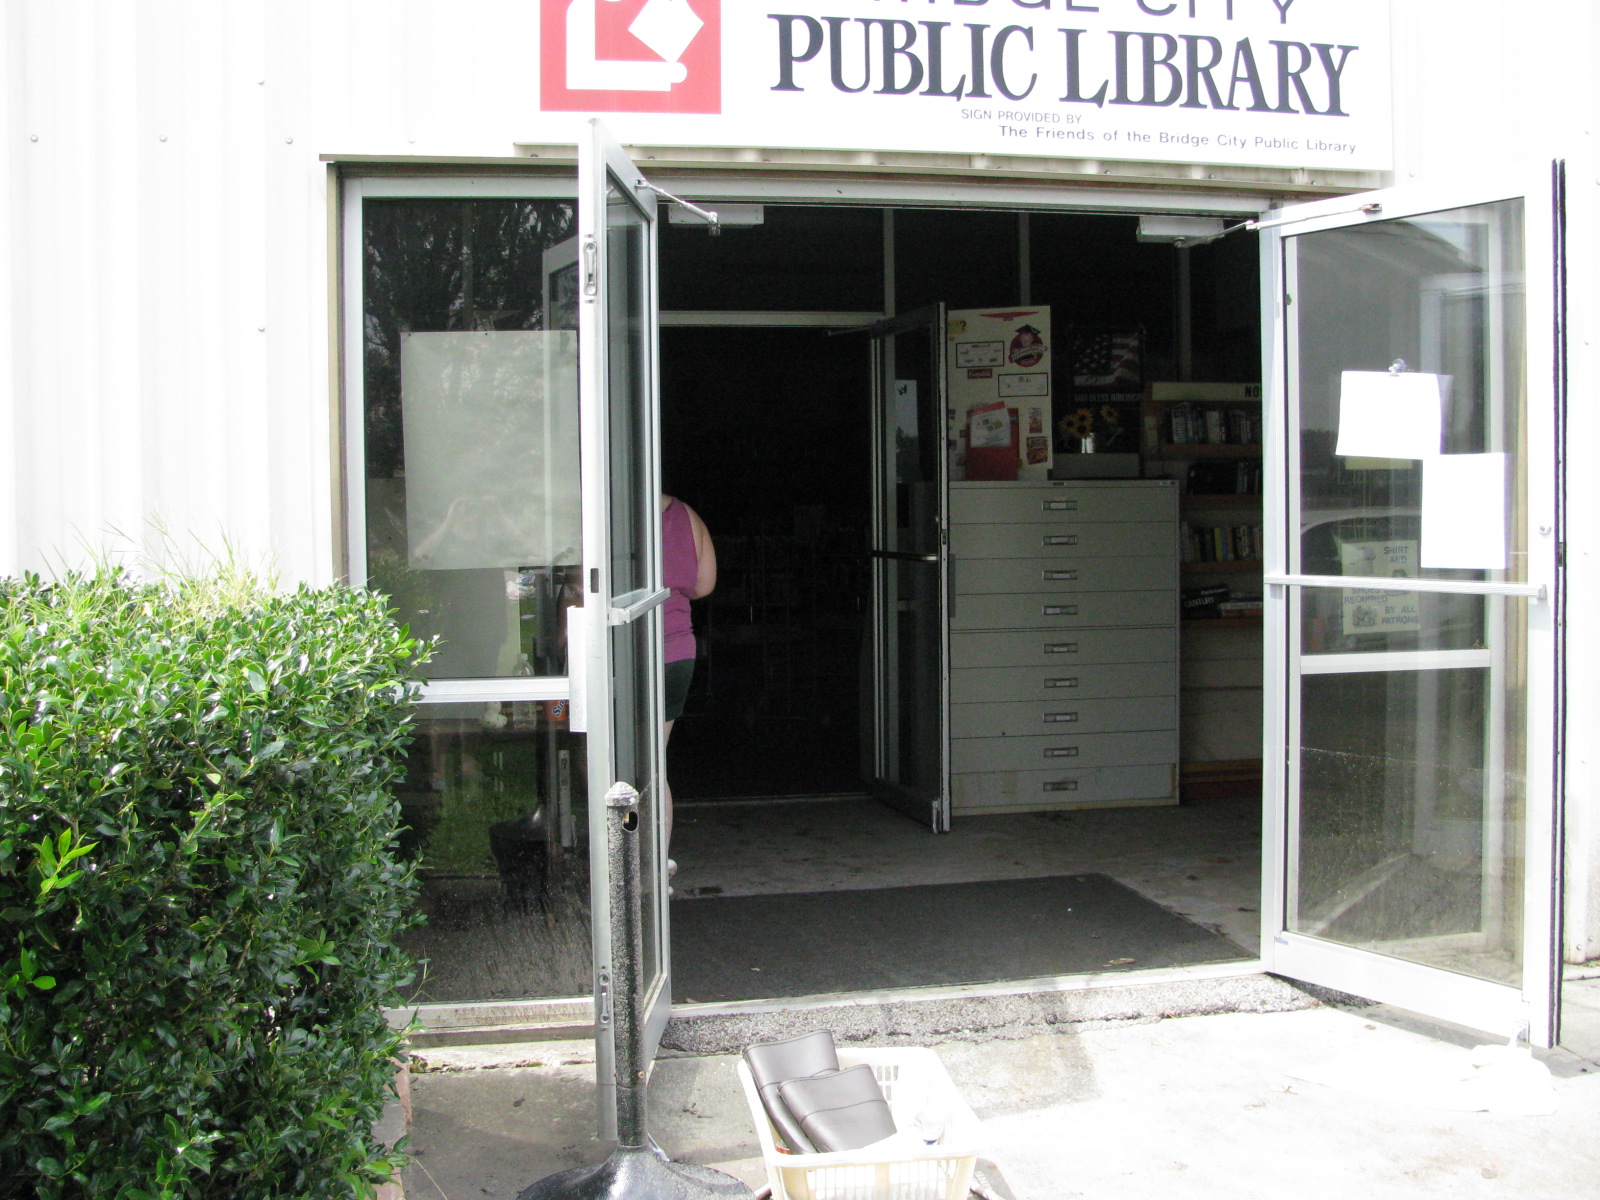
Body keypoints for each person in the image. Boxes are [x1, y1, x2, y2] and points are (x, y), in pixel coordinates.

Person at [661, 493, 716, 849]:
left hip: (622, 651)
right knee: (653, 763)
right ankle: (657, 857)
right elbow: (703, 585)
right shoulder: (686, 515)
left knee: (606, 761)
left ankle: (621, 856)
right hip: (675, 650)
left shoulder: (609, 511)